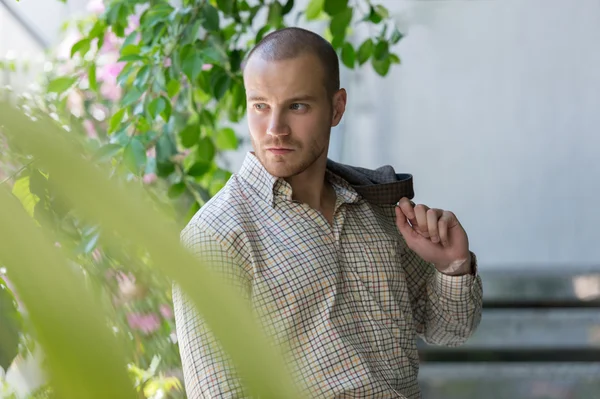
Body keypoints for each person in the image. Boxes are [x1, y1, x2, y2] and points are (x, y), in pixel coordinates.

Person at [173, 27, 483, 399]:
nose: (275, 129)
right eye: (260, 106)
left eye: (297, 106)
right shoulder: (214, 237)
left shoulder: (377, 209)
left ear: (336, 108)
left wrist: (453, 267)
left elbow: (452, 330)